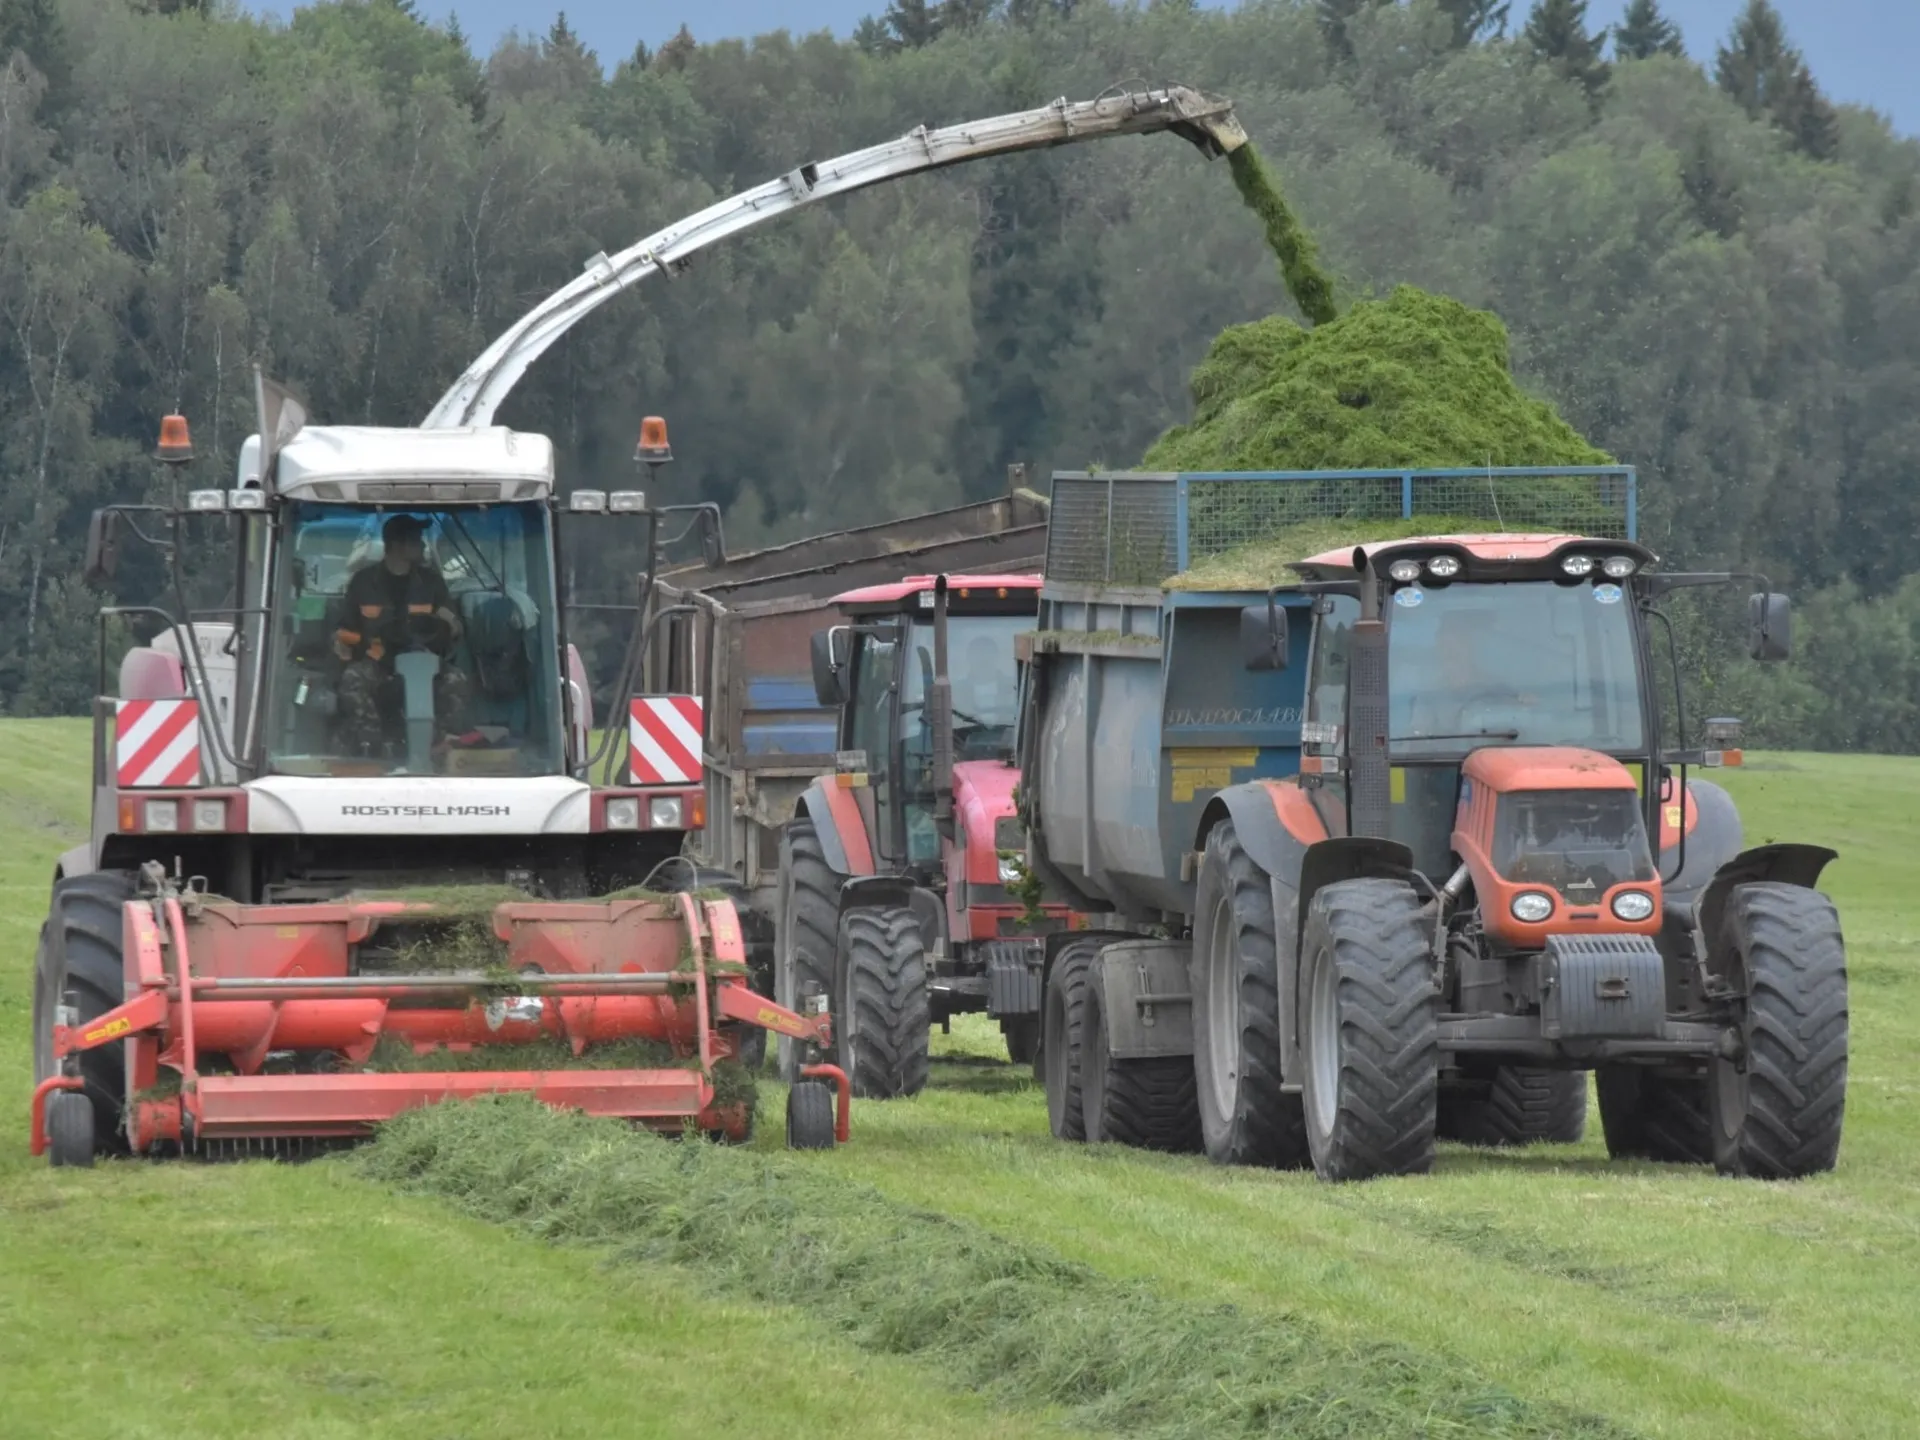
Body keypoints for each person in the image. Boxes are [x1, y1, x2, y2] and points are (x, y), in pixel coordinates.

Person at [332, 514, 473, 755]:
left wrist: (448, 622)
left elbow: (454, 629)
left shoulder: (431, 583)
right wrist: (357, 648)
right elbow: (345, 631)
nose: (423, 546)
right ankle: (373, 747)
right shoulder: (363, 582)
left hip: (424, 661)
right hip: (379, 662)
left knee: (456, 680)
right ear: (397, 545)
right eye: (416, 540)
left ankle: (436, 744)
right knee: (353, 679)